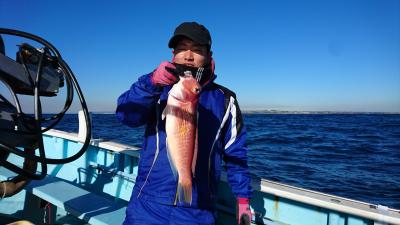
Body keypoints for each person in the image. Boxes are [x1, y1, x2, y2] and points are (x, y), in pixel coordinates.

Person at [116, 22, 252, 225]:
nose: (188, 56)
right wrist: (151, 82)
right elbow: (126, 116)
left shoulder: (225, 100)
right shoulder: (157, 88)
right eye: (181, 49)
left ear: (209, 56)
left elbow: (236, 155)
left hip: (198, 209)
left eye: (197, 50)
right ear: (173, 54)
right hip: (147, 204)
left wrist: (242, 199)